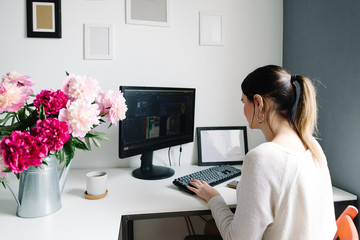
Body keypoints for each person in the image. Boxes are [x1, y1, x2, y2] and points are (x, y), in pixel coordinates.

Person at [187, 65, 337, 239]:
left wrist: (214, 198)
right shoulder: (312, 146)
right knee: (211, 228)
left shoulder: (261, 158)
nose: (243, 109)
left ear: (258, 102)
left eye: (244, 101)